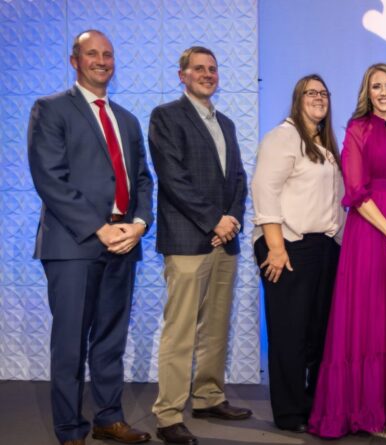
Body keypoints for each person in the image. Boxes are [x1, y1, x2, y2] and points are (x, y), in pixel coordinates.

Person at [27, 29, 153, 445]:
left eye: (108, 54)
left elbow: (142, 181)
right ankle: (69, 430)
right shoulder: (50, 109)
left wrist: (137, 224)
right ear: (75, 61)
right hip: (73, 244)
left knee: (110, 339)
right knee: (69, 343)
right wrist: (99, 227)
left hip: (124, 243)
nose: (102, 60)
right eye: (92, 54)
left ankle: (108, 418)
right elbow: (50, 178)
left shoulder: (128, 120)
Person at [308, 63, 386, 439]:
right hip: (370, 233)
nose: (383, 92)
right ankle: (367, 414)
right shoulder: (357, 129)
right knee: (370, 321)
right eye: (376, 86)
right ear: (368, 91)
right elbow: (356, 190)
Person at [148, 46, 250, 445]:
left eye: (212, 68)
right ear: (182, 75)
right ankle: (168, 414)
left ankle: (208, 397)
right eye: (199, 69)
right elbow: (172, 178)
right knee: (181, 331)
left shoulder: (224, 122)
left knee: (216, 328)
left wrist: (232, 220)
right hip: (188, 239)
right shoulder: (166, 117)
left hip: (224, 241)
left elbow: (238, 178)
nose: (207, 74)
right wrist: (214, 220)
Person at [251, 74, 345, 433]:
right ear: (297, 98)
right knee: (289, 334)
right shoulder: (283, 137)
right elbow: (264, 190)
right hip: (289, 246)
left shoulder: (324, 143)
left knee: (317, 334)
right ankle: (290, 414)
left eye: (324, 92)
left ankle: (312, 404)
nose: (319, 98)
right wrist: (275, 247)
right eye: (311, 92)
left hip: (323, 247)